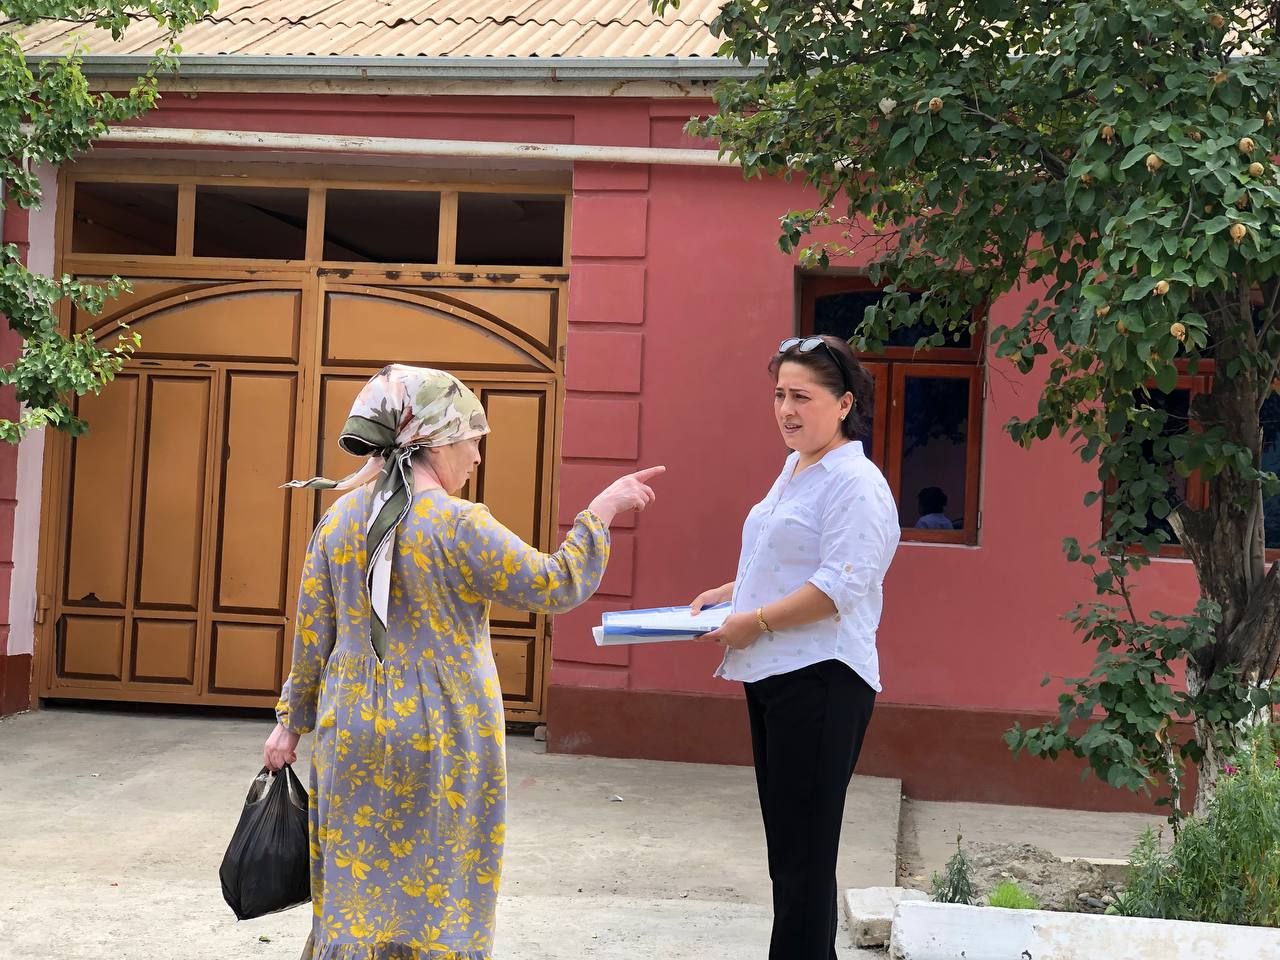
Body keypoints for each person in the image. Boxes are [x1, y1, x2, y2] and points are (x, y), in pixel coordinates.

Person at [262, 364, 662, 960]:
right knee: (441, 884)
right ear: (436, 442)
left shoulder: (338, 519)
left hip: (350, 728)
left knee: (355, 886)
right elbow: (554, 584)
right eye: (472, 439)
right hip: (443, 730)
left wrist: (290, 725)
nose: (476, 455)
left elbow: (312, 633)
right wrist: (601, 511)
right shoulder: (459, 526)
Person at [691, 334, 900, 960]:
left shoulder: (856, 483)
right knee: (790, 853)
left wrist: (754, 619)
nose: (786, 409)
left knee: (805, 857)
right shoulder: (797, 468)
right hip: (777, 673)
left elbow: (839, 585)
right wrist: (731, 593)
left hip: (822, 678)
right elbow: (787, 558)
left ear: (844, 404)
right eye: (780, 395)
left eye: (802, 397)